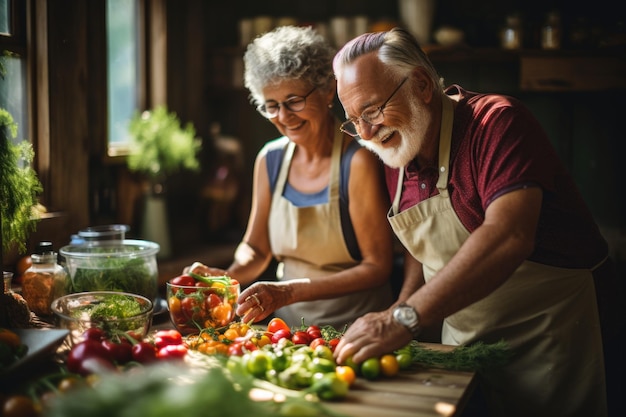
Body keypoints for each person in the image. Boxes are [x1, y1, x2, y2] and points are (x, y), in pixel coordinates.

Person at [331, 27, 623, 417]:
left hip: (557, 339)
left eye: (372, 110)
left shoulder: (498, 123)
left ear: (420, 84)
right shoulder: (397, 146)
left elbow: (508, 236)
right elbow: (423, 247)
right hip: (466, 349)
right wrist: (402, 305)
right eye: (353, 120)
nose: (366, 133)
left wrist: (404, 318)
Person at [187, 25, 394, 330]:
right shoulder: (269, 160)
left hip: (358, 330)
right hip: (287, 333)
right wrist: (226, 277)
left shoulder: (357, 160)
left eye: (294, 100)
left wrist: (287, 291)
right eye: (271, 106)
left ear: (326, 91)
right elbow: (256, 249)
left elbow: (377, 267)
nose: (284, 117)